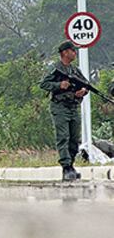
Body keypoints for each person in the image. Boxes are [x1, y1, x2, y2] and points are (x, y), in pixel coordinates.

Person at [39, 41, 89, 181]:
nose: (75, 53)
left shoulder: (75, 70)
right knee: (63, 137)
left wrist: (83, 91)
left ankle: (71, 165)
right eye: (72, 50)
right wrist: (59, 85)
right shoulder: (56, 69)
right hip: (60, 106)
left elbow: (86, 84)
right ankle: (66, 167)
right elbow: (43, 84)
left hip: (73, 106)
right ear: (65, 52)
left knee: (74, 138)